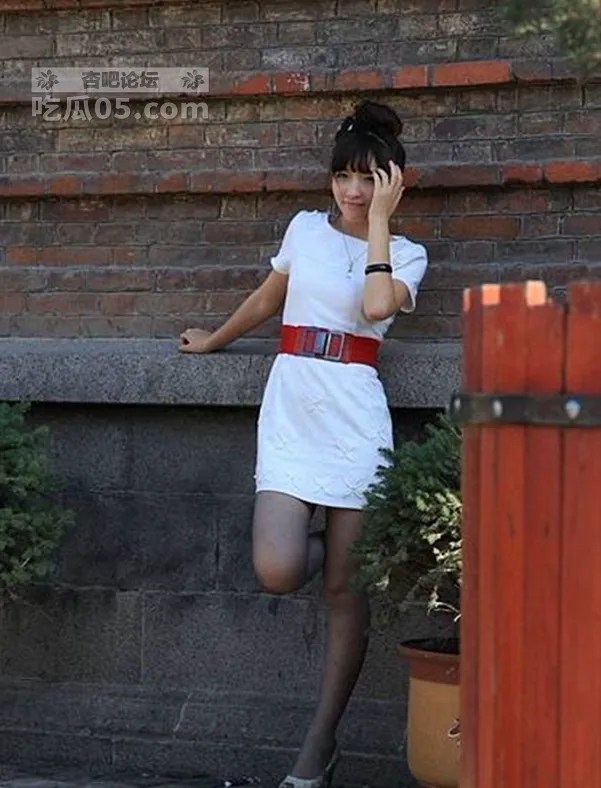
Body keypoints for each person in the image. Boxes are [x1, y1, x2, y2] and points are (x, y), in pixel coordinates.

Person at [178, 99, 428, 788]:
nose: (353, 191)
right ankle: (338, 551)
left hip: (355, 413)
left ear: (393, 184)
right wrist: (214, 339)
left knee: (345, 591)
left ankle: (319, 746)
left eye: (370, 179)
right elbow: (268, 299)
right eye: (344, 176)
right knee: (278, 568)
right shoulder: (303, 230)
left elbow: (374, 308)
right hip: (292, 404)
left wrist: (379, 226)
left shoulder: (407, 254)